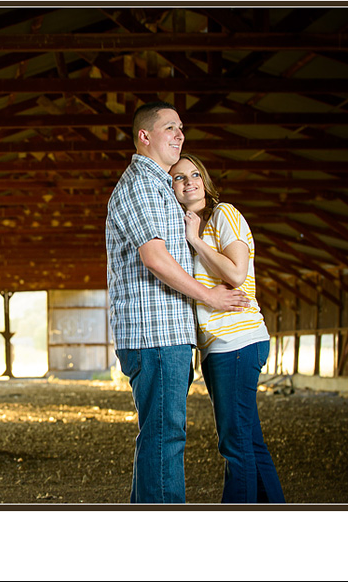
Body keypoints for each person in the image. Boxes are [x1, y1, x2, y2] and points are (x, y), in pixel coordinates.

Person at [106, 101, 249, 503]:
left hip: (165, 333)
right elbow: (154, 257)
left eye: (182, 128)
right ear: (144, 136)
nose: (180, 135)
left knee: (159, 435)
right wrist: (211, 297)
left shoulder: (160, 188)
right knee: (165, 436)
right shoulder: (142, 185)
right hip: (156, 334)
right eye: (170, 128)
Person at [170, 153, 285, 503]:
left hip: (236, 338)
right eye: (178, 177)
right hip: (221, 344)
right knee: (248, 440)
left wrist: (197, 241)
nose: (188, 181)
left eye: (194, 174)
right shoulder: (191, 225)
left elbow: (236, 273)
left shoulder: (224, 214)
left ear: (205, 180)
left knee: (234, 443)